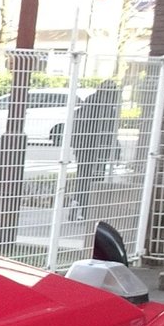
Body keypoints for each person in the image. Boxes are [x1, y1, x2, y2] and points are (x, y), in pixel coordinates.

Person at [67, 79, 122, 221]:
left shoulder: (89, 103)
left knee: (83, 177)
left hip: (84, 148)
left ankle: (77, 206)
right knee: (95, 179)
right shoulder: (105, 108)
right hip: (96, 149)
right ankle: (86, 210)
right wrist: (116, 149)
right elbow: (109, 131)